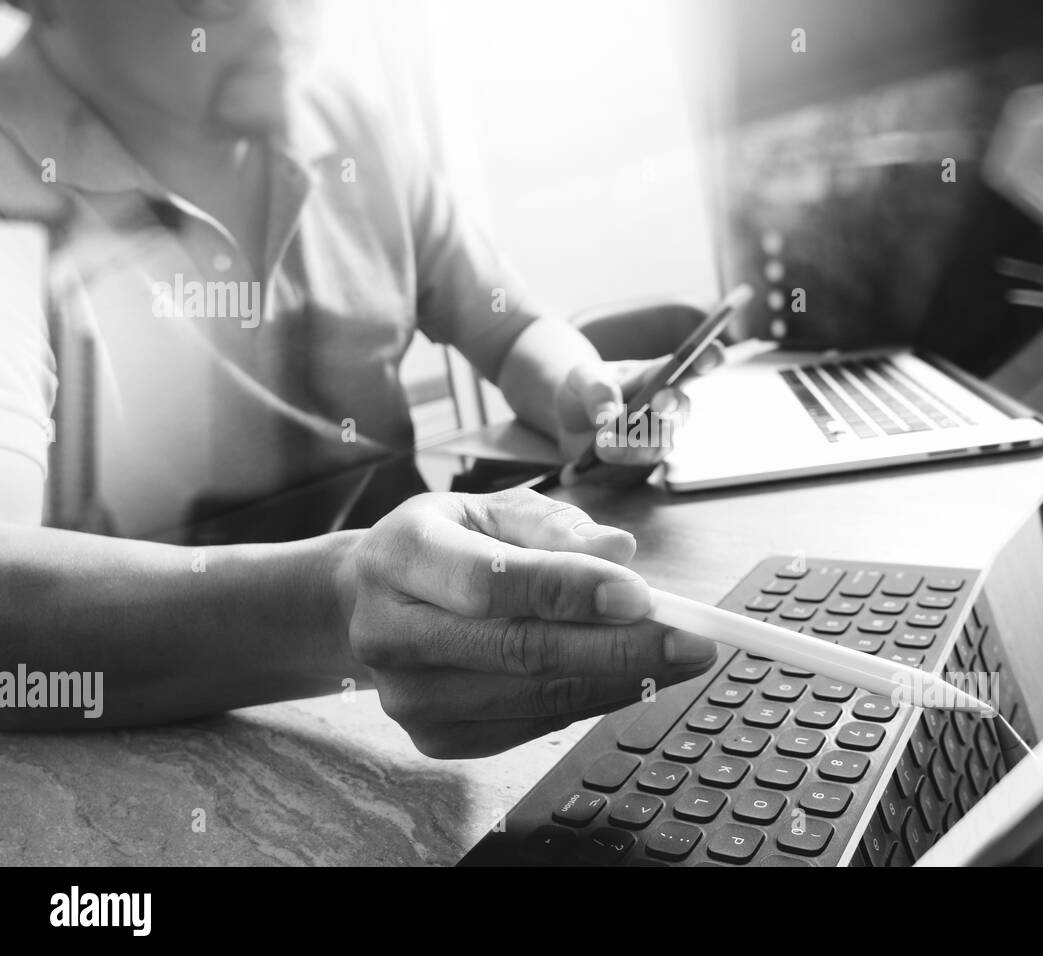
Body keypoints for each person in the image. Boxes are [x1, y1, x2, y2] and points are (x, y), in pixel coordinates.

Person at [0, 0, 720, 754]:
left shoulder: (336, 115)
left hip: (434, 678)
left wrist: (580, 386)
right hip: (168, 747)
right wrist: (342, 606)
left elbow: (509, 329)